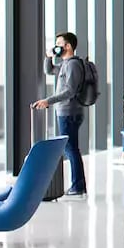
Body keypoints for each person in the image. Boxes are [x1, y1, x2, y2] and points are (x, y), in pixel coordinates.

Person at [32, 32, 88, 199]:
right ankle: (78, 185)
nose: (56, 46)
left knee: (71, 149)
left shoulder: (73, 65)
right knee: (70, 148)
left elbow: (70, 91)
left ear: (68, 46)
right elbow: (49, 70)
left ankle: (78, 186)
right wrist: (48, 56)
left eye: (59, 43)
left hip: (69, 112)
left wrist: (48, 101)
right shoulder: (65, 64)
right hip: (66, 112)